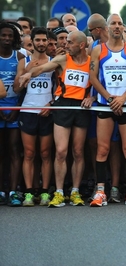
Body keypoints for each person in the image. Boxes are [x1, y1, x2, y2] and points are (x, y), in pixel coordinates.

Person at [19, 31, 93, 207]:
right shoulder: (63, 59)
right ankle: (59, 192)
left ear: (81, 45)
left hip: (82, 107)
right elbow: (43, 68)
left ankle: (75, 192)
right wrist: (30, 74)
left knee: (78, 151)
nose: (65, 45)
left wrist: (93, 97)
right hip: (63, 106)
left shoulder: (92, 62)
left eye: (70, 42)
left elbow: (99, 82)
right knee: (60, 151)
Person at [89, 14, 126, 207]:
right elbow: (93, 77)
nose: (117, 26)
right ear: (107, 27)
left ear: (123, 28)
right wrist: (109, 97)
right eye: (113, 23)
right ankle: (100, 191)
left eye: (120, 23)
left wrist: (122, 98)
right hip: (106, 104)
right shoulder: (98, 50)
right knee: (103, 149)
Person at [14, 27, 55, 207]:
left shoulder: (53, 62)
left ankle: (45, 192)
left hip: (46, 111)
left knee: (46, 154)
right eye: (37, 40)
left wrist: (51, 104)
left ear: (47, 41)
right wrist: (27, 70)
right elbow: (16, 88)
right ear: (33, 41)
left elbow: (59, 89)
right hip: (28, 111)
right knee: (29, 154)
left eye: (43, 40)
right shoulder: (24, 61)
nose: (40, 43)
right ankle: (29, 193)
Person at [0, 22, 25, 206]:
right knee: (1, 152)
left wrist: (17, 107)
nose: (7, 38)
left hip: (15, 108)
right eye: (3, 35)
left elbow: (22, 86)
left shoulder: (19, 56)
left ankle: (14, 191)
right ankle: (2, 190)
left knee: (15, 150)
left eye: (10, 36)